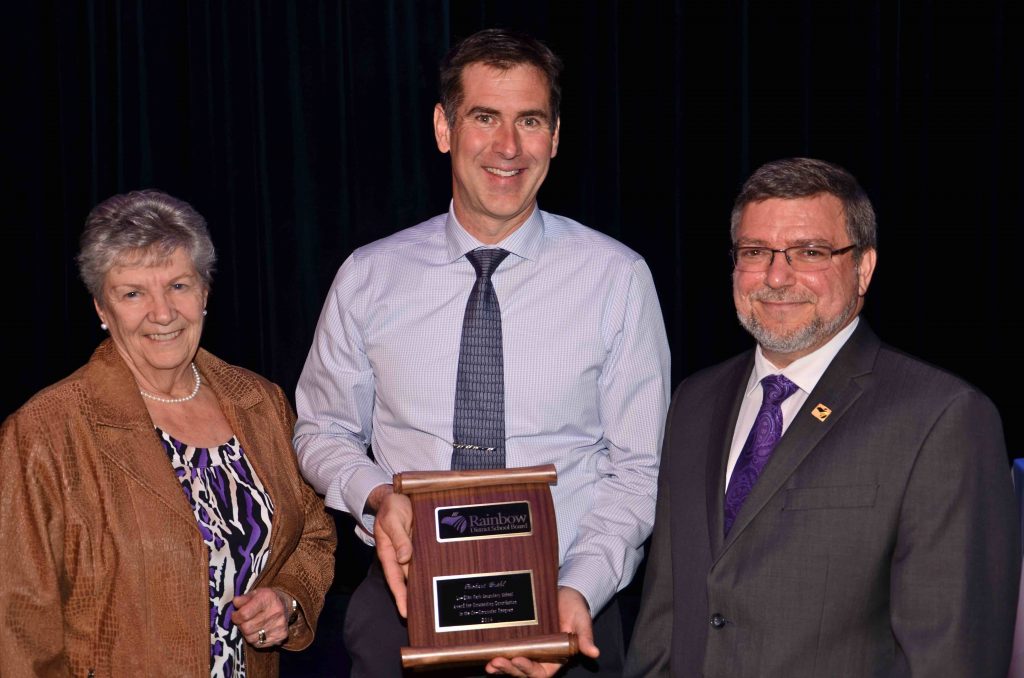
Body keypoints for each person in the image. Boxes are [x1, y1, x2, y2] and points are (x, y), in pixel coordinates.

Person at [295, 28, 670, 677]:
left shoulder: (617, 279)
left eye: (530, 121)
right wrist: (377, 496)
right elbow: (321, 429)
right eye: (484, 118)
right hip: (403, 610)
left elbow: (638, 470)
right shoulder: (369, 276)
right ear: (444, 127)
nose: (507, 146)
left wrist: (576, 591)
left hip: (565, 613)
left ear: (554, 136)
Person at [625, 157, 1020, 677]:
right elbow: (664, 621)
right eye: (755, 252)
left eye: (810, 252)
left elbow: (951, 656)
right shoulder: (694, 402)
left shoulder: (943, 418)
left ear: (864, 268)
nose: (776, 275)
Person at [0, 190, 336, 677]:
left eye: (178, 285)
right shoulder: (44, 433)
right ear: (101, 307)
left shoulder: (260, 402)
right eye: (133, 293)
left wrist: (287, 599)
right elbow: (18, 628)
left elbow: (314, 534)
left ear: (204, 292)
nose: (162, 313)